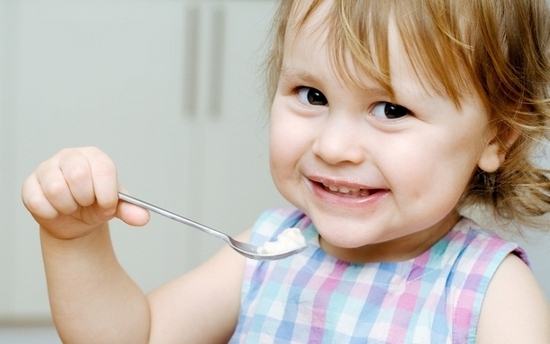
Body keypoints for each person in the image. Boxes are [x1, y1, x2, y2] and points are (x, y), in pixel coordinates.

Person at [22, 0, 550, 342]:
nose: (335, 145)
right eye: (313, 95)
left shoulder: (491, 292)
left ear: (495, 136)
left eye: (391, 109)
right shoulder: (269, 251)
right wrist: (75, 241)